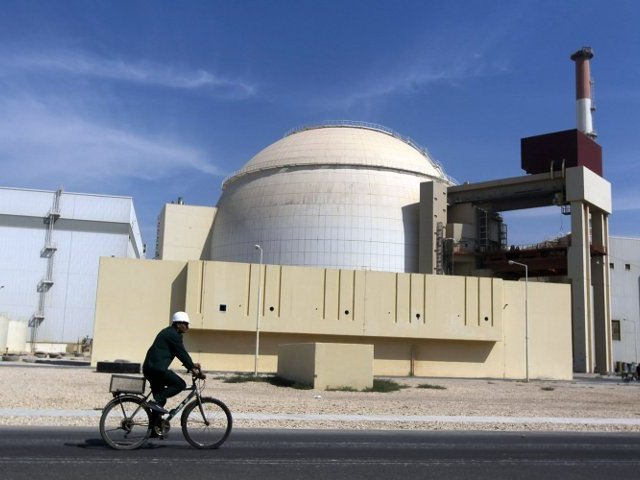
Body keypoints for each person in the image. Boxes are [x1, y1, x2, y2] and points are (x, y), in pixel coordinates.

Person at [142, 311, 204, 415]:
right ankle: (155, 401)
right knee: (180, 384)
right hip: (156, 370)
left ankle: (155, 424)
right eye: (185, 324)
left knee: (160, 403)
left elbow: (179, 353)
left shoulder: (169, 332)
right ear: (178, 324)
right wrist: (192, 368)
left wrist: (192, 364)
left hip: (151, 369)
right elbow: (181, 353)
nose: (187, 327)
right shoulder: (172, 335)